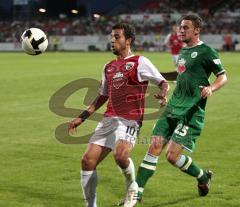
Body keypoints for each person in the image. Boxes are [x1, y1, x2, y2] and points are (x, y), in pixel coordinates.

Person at [68, 23, 169, 207]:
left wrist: (163, 95)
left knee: (121, 155)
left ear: (128, 40)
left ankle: (132, 187)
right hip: (108, 119)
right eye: (111, 37)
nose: (112, 40)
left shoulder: (140, 62)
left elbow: (163, 82)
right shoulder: (108, 66)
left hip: (130, 120)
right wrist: (82, 117)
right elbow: (102, 95)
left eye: (117, 37)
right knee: (87, 161)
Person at [135, 14, 227, 203]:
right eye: (180, 27)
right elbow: (180, 75)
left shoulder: (207, 52)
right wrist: (155, 75)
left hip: (190, 112)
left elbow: (222, 77)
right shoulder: (184, 52)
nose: (181, 30)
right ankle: (136, 193)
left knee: (171, 156)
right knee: (154, 146)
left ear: (197, 30)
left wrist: (211, 88)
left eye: (185, 27)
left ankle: (202, 176)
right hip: (172, 107)